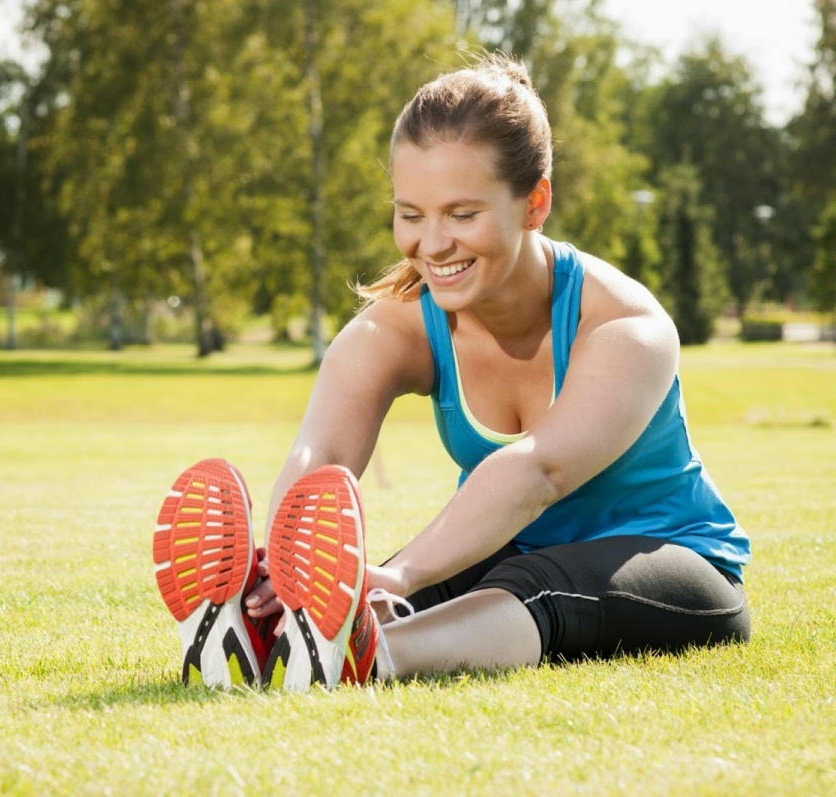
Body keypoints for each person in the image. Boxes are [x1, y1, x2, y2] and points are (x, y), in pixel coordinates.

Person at [151, 53, 751, 690]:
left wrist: (401, 573)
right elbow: (321, 450)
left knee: (518, 583)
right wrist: (287, 561)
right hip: (508, 549)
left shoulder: (625, 325)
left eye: (462, 215)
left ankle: (369, 658)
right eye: (411, 215)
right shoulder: (399, 327)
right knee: (390, 590)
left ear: (534, 203)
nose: (433, 244)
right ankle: (267, 639)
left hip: (675, 564)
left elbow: (539, 471)